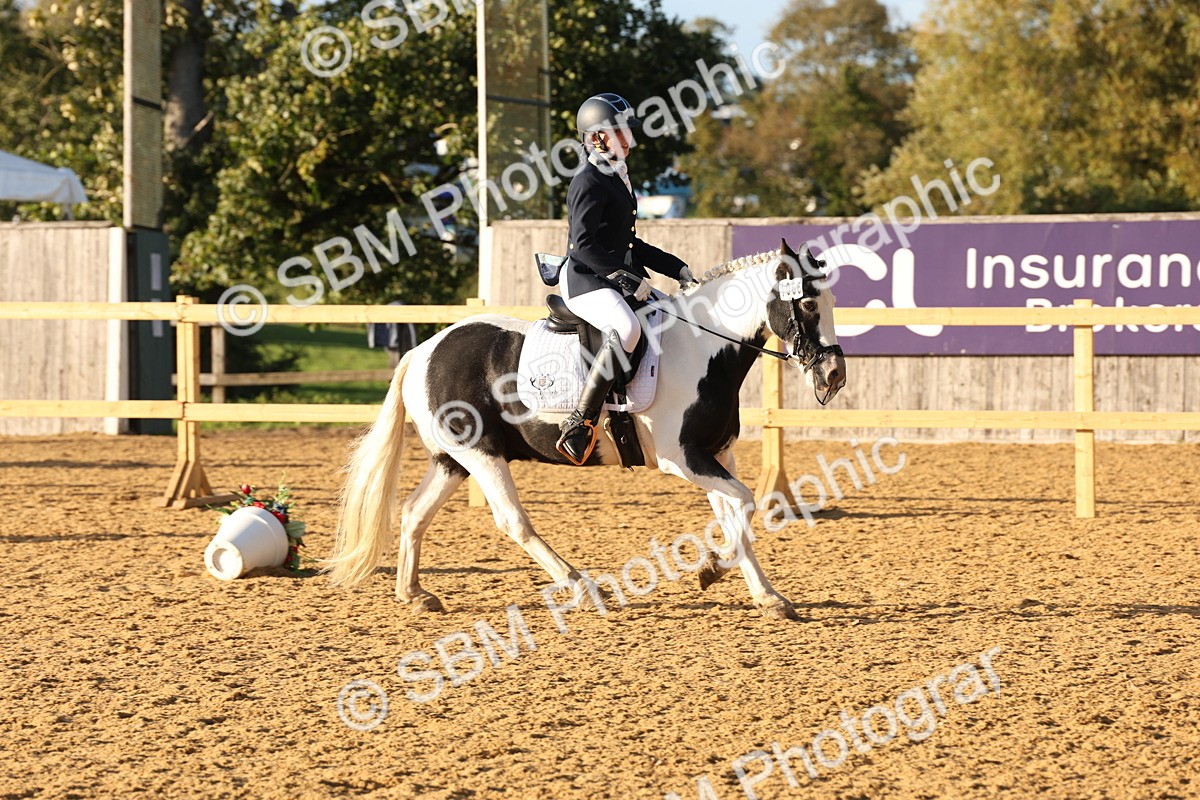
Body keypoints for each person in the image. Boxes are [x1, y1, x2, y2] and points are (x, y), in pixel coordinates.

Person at [555, 92, 697, 465]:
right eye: (621, 133)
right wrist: (626, 279)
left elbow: (628, 241)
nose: (629, 140)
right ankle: (581, 421)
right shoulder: (588, 180)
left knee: (670, 316)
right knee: (628, 328)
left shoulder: (615, 176)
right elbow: (582, 246)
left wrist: (676, 267)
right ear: (598, 137)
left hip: (610, 275)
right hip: (585, 279)